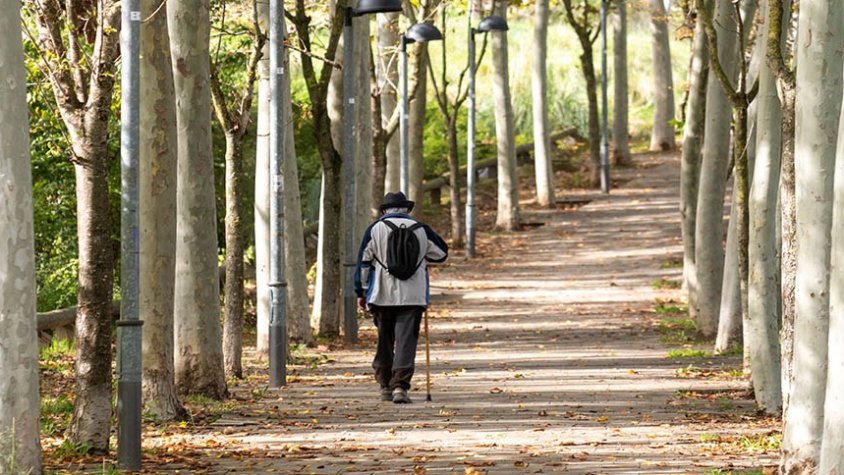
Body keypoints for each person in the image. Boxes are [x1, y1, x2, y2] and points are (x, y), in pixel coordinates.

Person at [354, 191, 448, 404]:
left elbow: (363, 264)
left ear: (385, 210)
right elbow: (442, 254)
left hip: (381, 295)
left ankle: (384, 384)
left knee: (384, 340)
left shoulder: (375, 229)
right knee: (406, 342)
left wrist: (360, 292)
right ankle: (400, 388)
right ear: (407, 209)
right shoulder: (422, 229)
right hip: (413, 296)